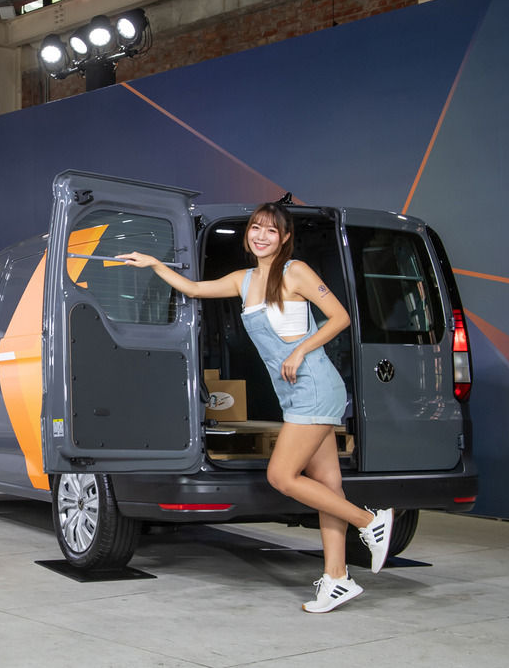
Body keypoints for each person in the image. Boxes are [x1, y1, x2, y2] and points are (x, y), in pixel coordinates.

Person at [117, 202, 393, 613]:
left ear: (284, 238)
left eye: (271, 230)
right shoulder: (242, 280)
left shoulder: (295, 271)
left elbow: (340, 317)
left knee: (281, 475)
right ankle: (337, 579)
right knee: (327, 488)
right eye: (256, 228)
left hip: (316, 385)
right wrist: (155, 264)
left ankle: (370, 522)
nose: (261, 236)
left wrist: (299, 350)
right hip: (294, 394)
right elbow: (194, 289)